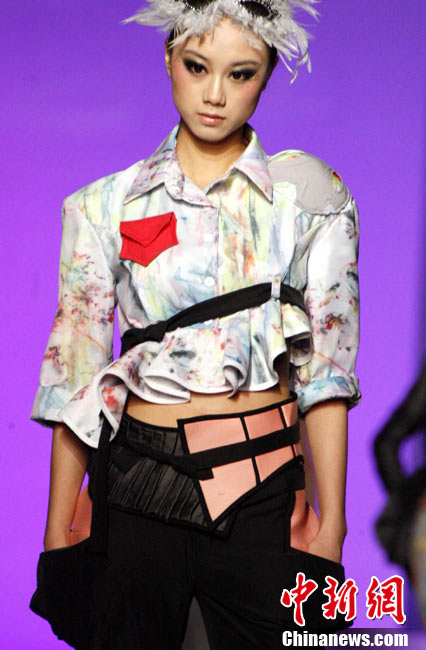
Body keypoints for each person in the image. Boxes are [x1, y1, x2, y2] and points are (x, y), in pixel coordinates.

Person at [31, 0, 361, 646]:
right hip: (135, 487)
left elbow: (326, 372)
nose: (215, 94)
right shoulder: (103, 206)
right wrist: (57, 525)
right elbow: (76, 373)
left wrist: (334, 525)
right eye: (196, 66)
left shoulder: (311, 202)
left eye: (241, 74)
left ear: (267, 74)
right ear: (168, 58)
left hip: (262, 489)